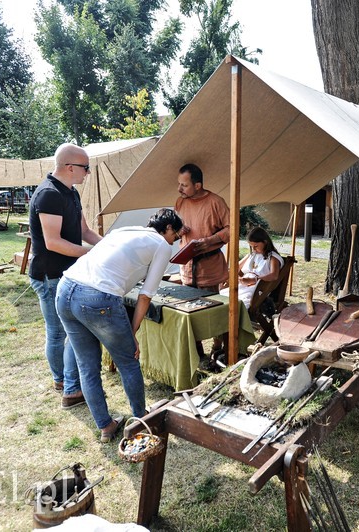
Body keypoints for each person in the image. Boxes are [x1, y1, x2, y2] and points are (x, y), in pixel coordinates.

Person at [55, 209, 183, 442]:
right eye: (176, 236)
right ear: (169, 229)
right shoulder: (162, 244)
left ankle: (106, 427)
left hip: (66, 288)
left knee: (86, 366)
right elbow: (145, 296)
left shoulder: (124, 231)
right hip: (97, 296)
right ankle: (141, 418)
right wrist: (131, 334)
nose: (175, 241)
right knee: (128, 361)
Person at [28, 142, 102, 409]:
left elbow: (84, 231)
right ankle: (62, 381)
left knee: (71, 331)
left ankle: (68, 381)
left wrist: (107, 246)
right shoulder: (48, 195)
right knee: (58, 332)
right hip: (49, 275)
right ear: (70, 167)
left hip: (67, 273)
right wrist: (89, 254)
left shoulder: (71, 192)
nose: (88, 173)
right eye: (86, 168)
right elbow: (53, 242)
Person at [174, 163, 230, 290]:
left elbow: (232, 228)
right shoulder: (180, 202)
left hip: (209, 271)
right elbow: (173, 231)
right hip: (187, 270)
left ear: (197, 186)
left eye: (184, 185)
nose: (179, 189)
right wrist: (179, 232)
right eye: (179, 184)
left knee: (209, 308)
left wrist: (210, 240)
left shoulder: (216, 202)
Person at [220, 227, 283, 308]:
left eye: (256, 246)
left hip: (258, 289)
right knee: (223, 297)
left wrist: (254, 279)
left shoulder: (273, 257)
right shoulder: (252, 255)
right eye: (251, 246)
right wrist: (232, 276)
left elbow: (274, 275)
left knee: (237, 303)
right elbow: (236, 267)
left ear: (265, 242)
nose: (253, 249)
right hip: (243, 285)